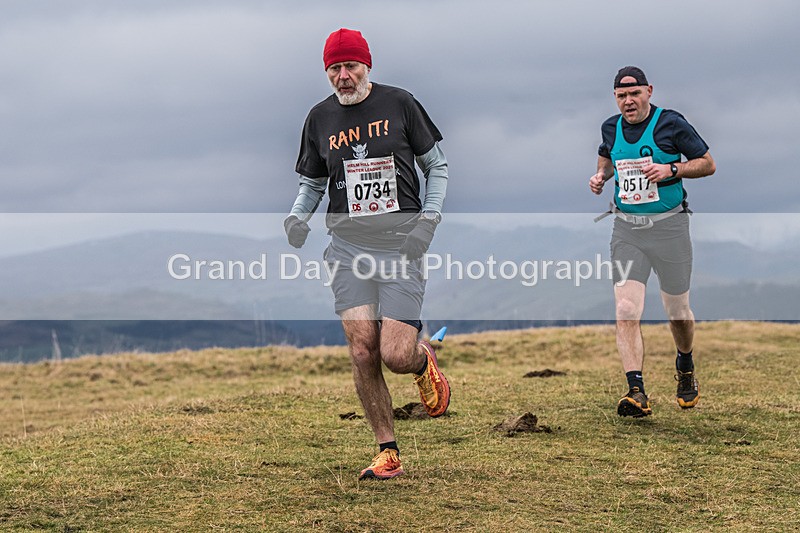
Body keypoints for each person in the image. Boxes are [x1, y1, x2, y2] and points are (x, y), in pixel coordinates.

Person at [284, 28, 451, 478]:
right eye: (334, 68)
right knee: (362, 350)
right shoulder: (318, 118)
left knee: (395, 355)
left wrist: (428, 219)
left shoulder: (400, 103)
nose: (343, 76)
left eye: (350, 66)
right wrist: (298, 217)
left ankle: (423, 360)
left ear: (367, 66)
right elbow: (313, 183)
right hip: (348, 248)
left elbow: (436, 166)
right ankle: (387, 451)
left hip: (402, 246)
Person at [590, 66, 716, 417]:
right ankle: (636, 391)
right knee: (626, 309)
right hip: (627, 229)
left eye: (634, 94)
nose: (628, 102)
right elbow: (606, 154)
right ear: (615, 98)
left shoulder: (671, 123)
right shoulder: (610, 127)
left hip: (670, 228)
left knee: (678, 313)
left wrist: (671, 170)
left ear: (648, 91)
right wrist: (601, 175)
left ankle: (685, 363)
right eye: (621, 96)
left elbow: (707, 164)